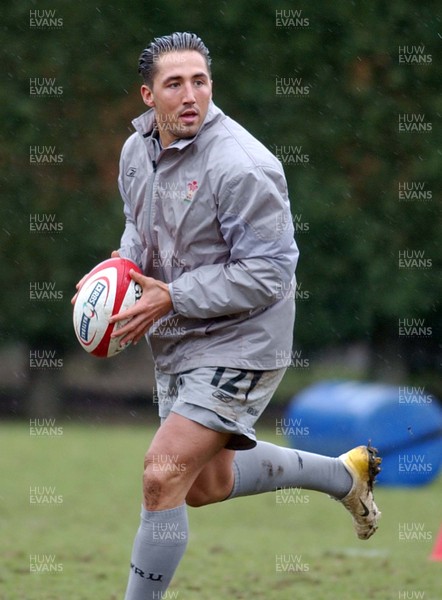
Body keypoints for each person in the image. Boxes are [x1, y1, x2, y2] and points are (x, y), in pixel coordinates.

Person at [73, 32, 381, 599]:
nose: (191, 95)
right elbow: (139, 230)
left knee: (162, 472)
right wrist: (114, 274)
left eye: (201, 81)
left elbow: (270, 271)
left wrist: (174, 295)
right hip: (180, 336)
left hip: (244, 337)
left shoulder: (242, 166)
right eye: (175, 84)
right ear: (148, 96)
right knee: (201, 486)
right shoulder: (135, 152)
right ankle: (344, 477)